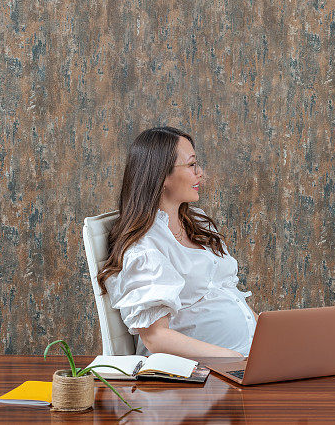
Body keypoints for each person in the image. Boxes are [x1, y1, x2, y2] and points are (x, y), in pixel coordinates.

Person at [97, 126, 256, 358]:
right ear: (162, 176)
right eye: (192, 165)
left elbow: (228, 294)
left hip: (244, 361)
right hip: (201, 373)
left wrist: (265, 338)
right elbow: (155, 338)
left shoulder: (198, 223)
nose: (200, 173)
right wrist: (233, 359)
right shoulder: (145, 247)